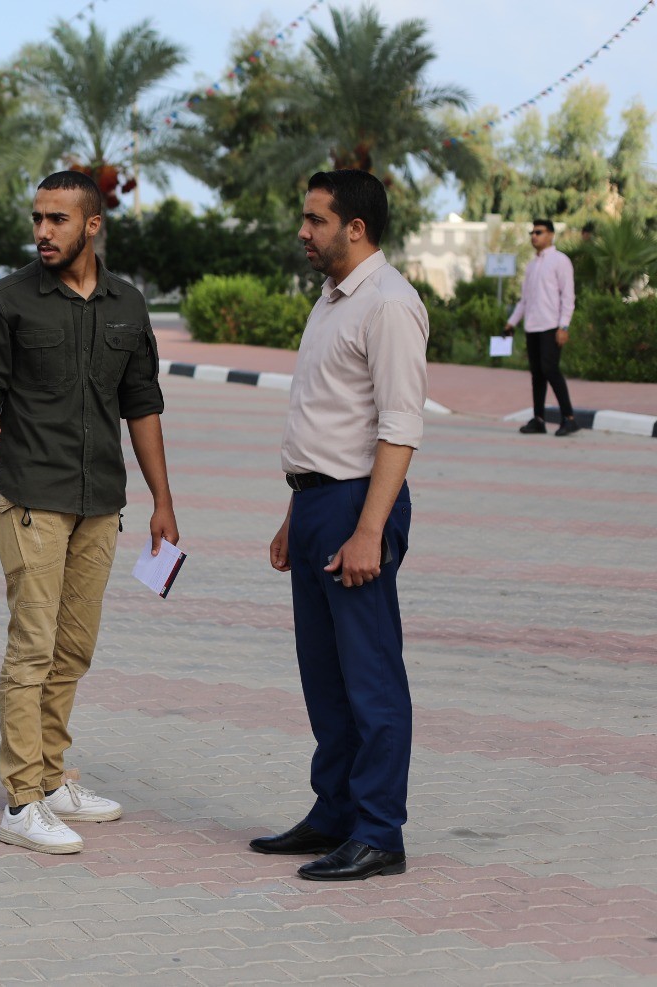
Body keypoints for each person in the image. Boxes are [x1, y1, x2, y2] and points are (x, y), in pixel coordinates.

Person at [0, 170, 179, 855]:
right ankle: (21, 800)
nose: (42, 231)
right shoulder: (6, 299)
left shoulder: (127, 304)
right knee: (32, 647)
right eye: (37, 218)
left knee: (73, 648)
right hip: (33, 497)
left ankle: (53, 779)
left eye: (57, 219)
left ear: (92, 224)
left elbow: (142, 404)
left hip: (101, 503)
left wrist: (163, 501)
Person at [254, 169, 427, 882]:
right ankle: (334, 812)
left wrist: (368, 530)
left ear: (355, 228)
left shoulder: (389, 304)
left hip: (360, 506)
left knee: (370, 676)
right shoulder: (331, 299)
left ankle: (379, 830)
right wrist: (295, 512)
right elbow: (326, 420)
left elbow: (400, 427)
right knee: (324, 677)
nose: (303, 231)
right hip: (318, 505)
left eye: (315, 220)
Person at [504, 219, 579, 436]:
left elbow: (568, 296)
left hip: (551, 326)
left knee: (550, 370)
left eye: (539, 232)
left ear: (551, 235)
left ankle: (569, 418)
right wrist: (511, 322)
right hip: (533, 327)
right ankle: (539, 419)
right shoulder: (531, 265)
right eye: (532, 233)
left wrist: (564, 326)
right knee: (537, 374)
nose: (534, 236)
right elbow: (524, 300)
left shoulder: (560, 261)